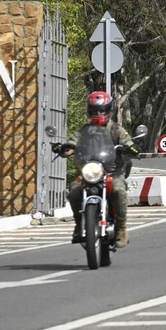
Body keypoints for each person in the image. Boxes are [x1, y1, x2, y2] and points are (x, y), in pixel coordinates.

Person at [65, 90, 136, 248]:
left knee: (119, 190)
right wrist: (66, 148)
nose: (98, 113)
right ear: (89, 110)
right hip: (89, 173)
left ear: (109, 110)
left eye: (102, 110)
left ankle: (121, 228)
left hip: (112, 173)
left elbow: (127, 141)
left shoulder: (116, 129)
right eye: (95, 110)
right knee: (74, 190)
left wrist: (130, 148)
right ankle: (78, 224)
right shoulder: (85, 130)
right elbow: (73, 141)